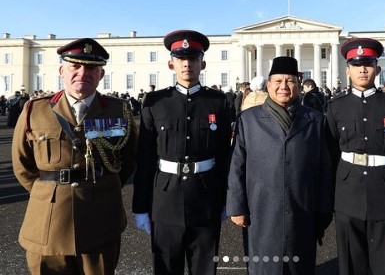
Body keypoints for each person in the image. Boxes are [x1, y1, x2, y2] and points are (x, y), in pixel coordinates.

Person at [11, 38, 138, 274]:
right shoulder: (35, 109)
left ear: (101, 74)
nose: (83, 73)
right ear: (62, 71)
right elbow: (22, 164)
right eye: (75, 66)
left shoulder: (118, 110)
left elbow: (129, 159)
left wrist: (103, 186)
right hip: (48, 221)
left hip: (100, 218)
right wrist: (49, 192)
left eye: (91, 68)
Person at [132, 30, 232, 275]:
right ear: (171, 63)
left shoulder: (217, 102)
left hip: (206, 195)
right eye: (180, 58)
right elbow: (144, 158)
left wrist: (227, 199)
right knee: (166, 267)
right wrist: (141, 207)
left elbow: (225, 156)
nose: (187, 64)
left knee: (205, 267)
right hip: (165, 198)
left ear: (203, 63)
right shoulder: (155, 102)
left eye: (194, 58)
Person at [226, 56, 333, 275]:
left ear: (298, 84)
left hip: (302, 209)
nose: (284, 86)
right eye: (278, 81)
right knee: (263, 266)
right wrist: (236, 206)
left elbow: (325, 168)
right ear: (268, 85)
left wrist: (324, 208)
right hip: (260, 210)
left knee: (299, 266)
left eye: (290, 81)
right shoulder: (249, 119)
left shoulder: (315, 120)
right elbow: (236, 165)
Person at [325, 38, 385, 275]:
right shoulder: (336, 106)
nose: (363, 69)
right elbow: (330, 151)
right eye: (357, 65)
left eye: (368, 64)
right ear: (348, 69)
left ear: (377, 68)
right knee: (351, 263)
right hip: (348, 191)